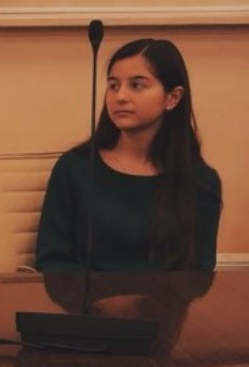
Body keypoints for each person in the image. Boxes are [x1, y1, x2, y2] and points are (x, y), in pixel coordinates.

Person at [35, 38, 221, 272]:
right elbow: (52, 260)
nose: (120, 96)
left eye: (136, 85)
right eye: (113, 86)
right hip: (85, 296)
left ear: (172, 97)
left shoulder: (201, 180)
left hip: (165, 297)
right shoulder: (75, 168)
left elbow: (200, 271)